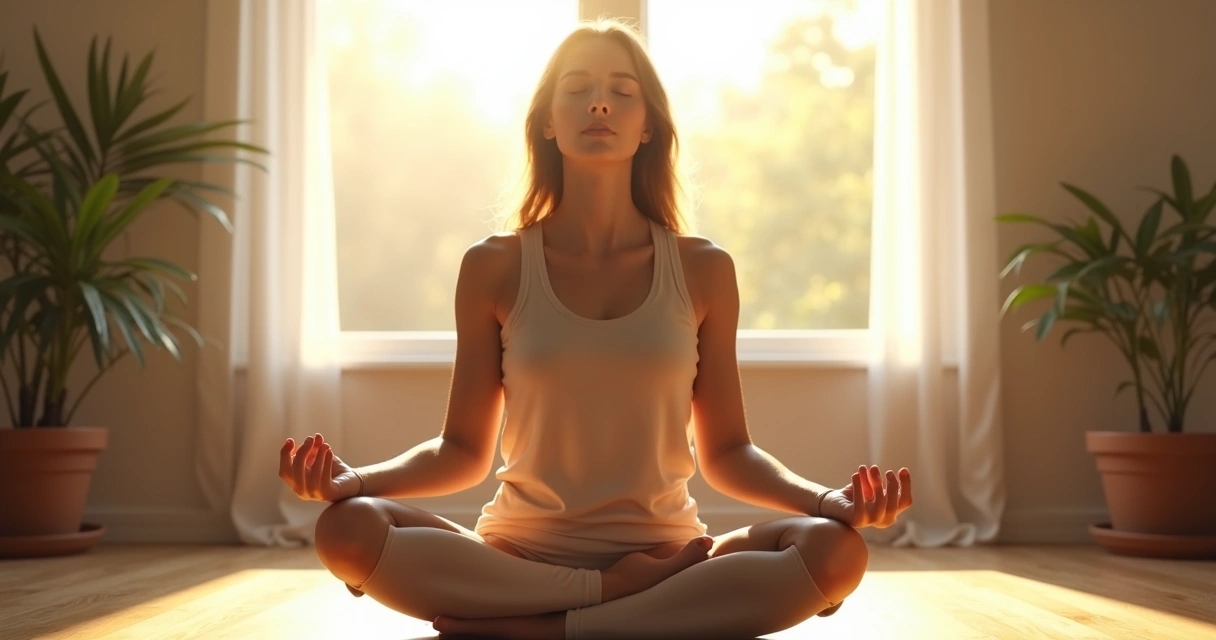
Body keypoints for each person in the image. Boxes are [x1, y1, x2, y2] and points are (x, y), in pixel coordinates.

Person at [278, 17, 911, 640]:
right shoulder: (494, 265)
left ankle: (542, 629)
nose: (600, 101)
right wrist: (352, 481)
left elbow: (727, 455)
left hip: (667, 557)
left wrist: (830, 502)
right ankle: (608, 604)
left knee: (834, 552)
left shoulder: (704, 269)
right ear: (548, 123)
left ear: (647, 128)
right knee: (346, 528)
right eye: (577, 88)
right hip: (520, 558)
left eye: (622, 91)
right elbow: (462, 453)